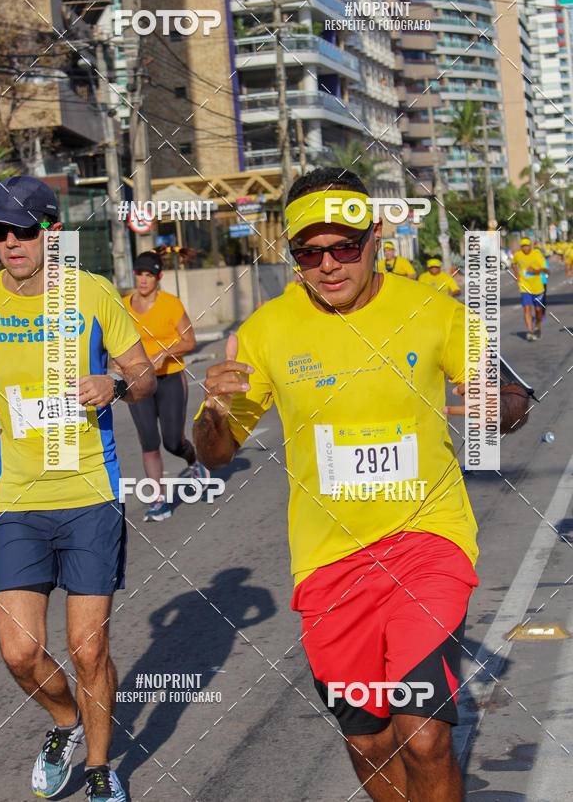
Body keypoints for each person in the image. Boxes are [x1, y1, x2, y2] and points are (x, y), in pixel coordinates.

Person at [193, 167, 529, 802]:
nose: (328, 265)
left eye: (344, 246)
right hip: (329, 564)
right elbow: (216, 454)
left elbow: (511, 392)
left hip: (428, 541)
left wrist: (500, 406)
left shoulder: (432, 310)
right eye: (309, 252)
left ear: (377, 236)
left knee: (424, 734)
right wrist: (212, 413)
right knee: (370, 742)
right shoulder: (267, 331)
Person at [0, 176, 157, 802]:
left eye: (23, 230)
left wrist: (114, 383)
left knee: (89, 649)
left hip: (89, 496)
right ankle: (65, 721)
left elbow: (145, 374)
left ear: (51, 232)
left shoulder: (91, 293)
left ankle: (102, 769)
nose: (11, 242)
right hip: (19, 501)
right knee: (21, 653)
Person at [122, 251, 209, 522]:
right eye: (140, 273)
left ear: (158, 277)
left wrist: (164, 354)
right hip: (137, 382)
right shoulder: (122, 305)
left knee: (172, 441)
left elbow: (189, 341)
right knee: (148, 440)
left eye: (149, 275)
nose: (143, 280)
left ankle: (194, 462)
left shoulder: (170, 304)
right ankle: (159, 501)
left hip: (170, 377)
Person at [511, 237, 548, 341]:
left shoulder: (537, 254)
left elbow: (546, 269)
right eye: (523, 246)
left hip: (537, 287)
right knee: (527, 308)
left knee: (538, 310)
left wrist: (535, 270)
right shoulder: (518, 255)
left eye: (527, 245)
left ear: (530, 246)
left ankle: (537, 327)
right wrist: (516, 274)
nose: (525, 248)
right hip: (524, 286)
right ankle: (530, 332)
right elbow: (513, 263)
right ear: (521, 247)